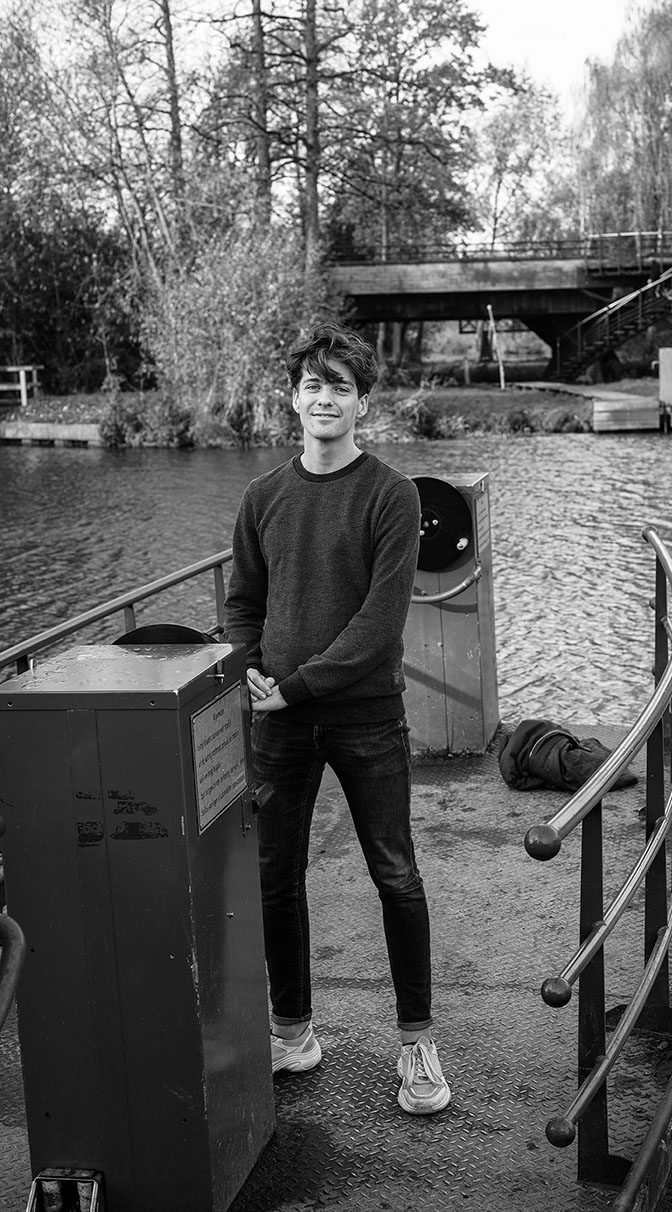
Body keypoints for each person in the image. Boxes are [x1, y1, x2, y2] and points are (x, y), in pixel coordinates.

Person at [224, 321, 451, 1115]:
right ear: (294, 399)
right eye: (313, 385)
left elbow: (380, 622)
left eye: (341, 387)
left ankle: (417, 1045)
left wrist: (298, 685)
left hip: (362, 717)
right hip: (276, 721)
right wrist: (248, 665)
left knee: (396, 874)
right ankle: (294, 1032)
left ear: (362, 403)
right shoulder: (263, 498)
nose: (325, 398)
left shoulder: (391, 494)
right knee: (273, 878)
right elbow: (242, 602)